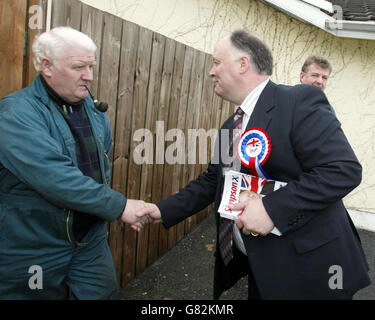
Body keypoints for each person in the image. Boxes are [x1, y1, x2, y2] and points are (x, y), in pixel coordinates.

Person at [137, 30, 370, 299]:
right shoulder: (231, 125)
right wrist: (161, 210)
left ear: (242, 64)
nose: (211, 72)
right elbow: (214, 180)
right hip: (263, 266)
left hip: (313, 271)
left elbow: (343, 169)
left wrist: (271, 208)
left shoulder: (298, 101)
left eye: (216, 62)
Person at [0, 26, 147, 299]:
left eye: (91, 66)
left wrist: (109, 211)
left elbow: (101, 169)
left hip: (90, 240)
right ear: (47, 66)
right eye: (79, 67)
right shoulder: (16, 114)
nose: (89, 76)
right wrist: (120, 206)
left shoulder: (93, 109)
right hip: (34, 245)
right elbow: (54, 177)